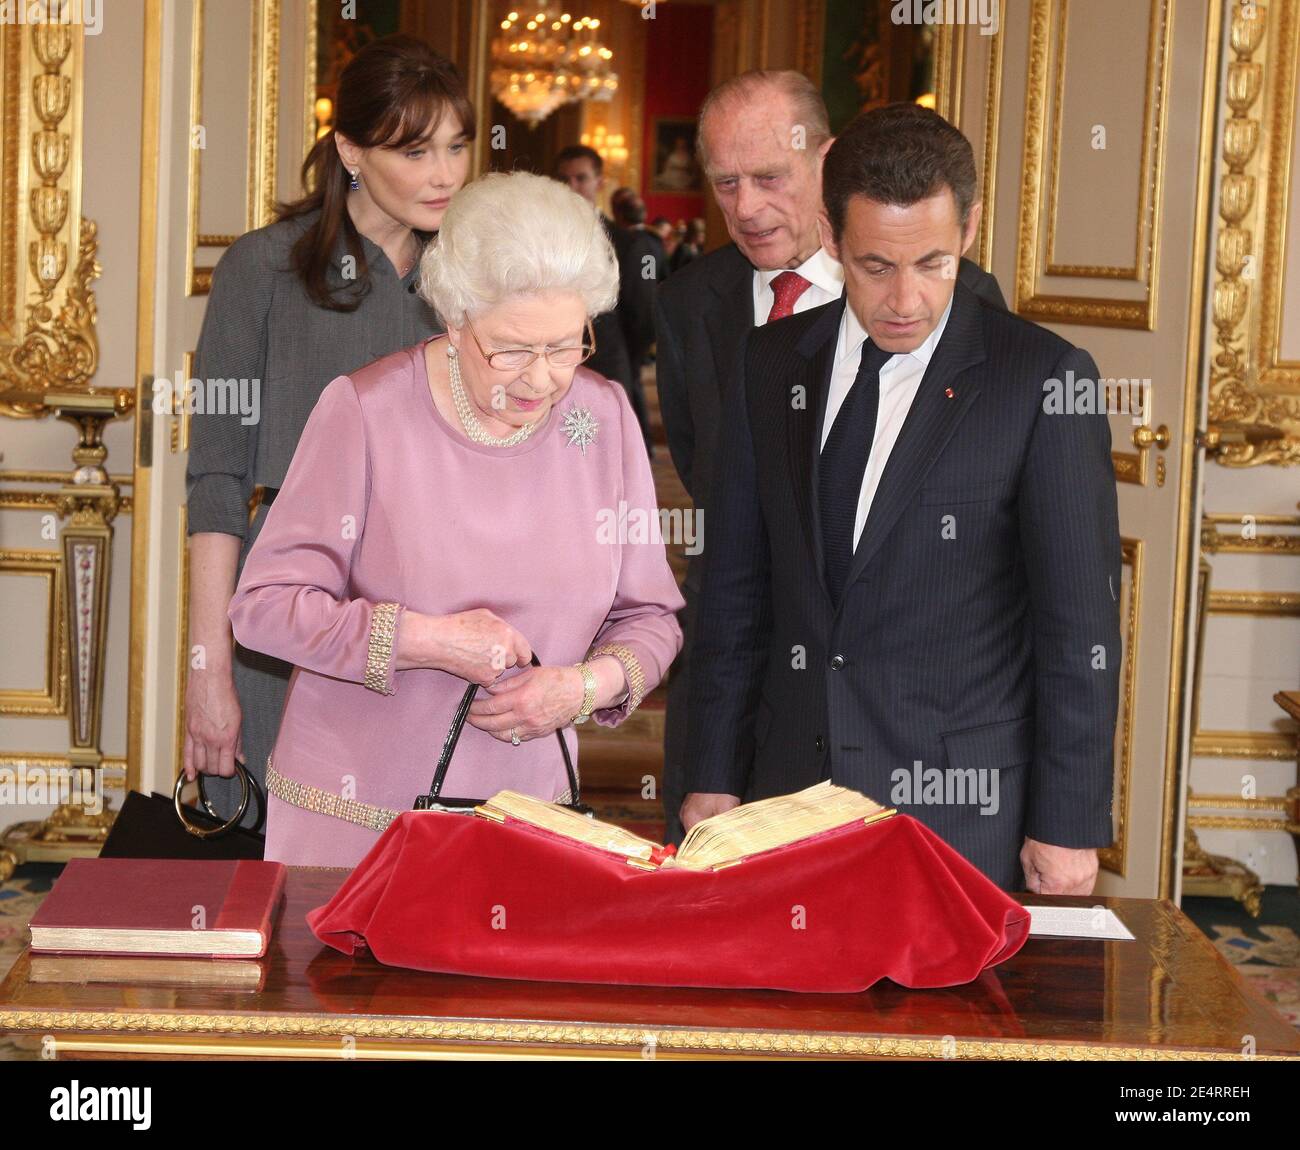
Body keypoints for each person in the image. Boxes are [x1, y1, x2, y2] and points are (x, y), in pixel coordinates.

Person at [683, 103, 1120, 894]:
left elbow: (1078, 630)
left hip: (959, 814)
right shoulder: (769, 363)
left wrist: (1066, 826)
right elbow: (735, 592)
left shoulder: (1043, 379)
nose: (905, 300)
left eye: (933, 263)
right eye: (875, 266)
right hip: (787, 799)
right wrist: (713, 773)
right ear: (829, 234)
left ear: (971, 228)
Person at [222, 171, 684, 868]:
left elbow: (652, 617)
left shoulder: (604, 417)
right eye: (512, 349)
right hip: (356, 821)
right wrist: (426, 640)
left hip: (531, 821)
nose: (541, 379)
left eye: (565, 345)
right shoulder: (367, 412)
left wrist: (579, 689)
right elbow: (264, 608)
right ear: (454, 317)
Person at [654, 70, 1007, 844]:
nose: (746, 208)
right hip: (745, 694)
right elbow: (716, 491)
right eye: (724, 183)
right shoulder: (690, 304)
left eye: (771, 178)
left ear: (830, 161)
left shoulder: (964, 302)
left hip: (903, 718)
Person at [183, 35, 474, 828]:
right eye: (415, 151)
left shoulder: (476, 283)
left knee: (418, 873)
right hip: (285, 625)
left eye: (456, 146)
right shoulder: (262, 271)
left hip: (434, 628)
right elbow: (215, 483)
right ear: (349, 148)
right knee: (283, 879)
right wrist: (208, 671)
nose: (445, 174)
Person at [553, 145, 635, 424]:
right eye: (564, 179)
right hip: (550, 365)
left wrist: (626, 356)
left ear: (599, 183)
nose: (571, 186)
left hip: (607, 363)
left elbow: (641, 317)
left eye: (581, 178)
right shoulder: (540, 235)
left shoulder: (626, 243)